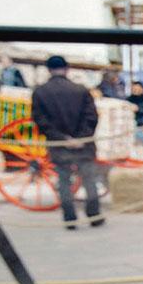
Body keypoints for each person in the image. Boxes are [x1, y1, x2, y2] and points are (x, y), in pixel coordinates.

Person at [31, 55, 102, 229]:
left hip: (59, 146)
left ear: (48, 70)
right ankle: (95, 216)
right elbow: (92, 117)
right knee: (89, 181)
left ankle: (70, 219)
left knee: (64, 182)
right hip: (83, 144)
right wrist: (81, 138)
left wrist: (63, 139)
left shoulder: (40, 92)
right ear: (67, 69)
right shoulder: (81, 90)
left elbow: (40, 121)